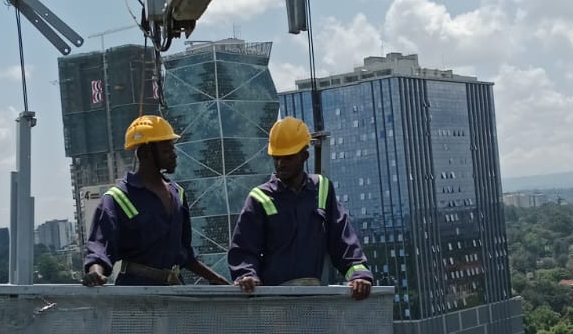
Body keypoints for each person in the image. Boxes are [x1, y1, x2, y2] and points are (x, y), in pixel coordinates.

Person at [228, 117, 373, 298]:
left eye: (288, 157)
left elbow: (342, 240)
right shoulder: (259, 197)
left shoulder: (322, 189)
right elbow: (243, 250)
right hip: (274, 303)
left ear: (305, 155)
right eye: (277, 158)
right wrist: (247, 275)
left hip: (313, 298)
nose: (281, 163)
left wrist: (359, 275)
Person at [83, 115, 229, 288]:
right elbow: (100, 248)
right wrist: (95, 273)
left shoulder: (177, 194)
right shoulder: (117, 199)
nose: (174, 155)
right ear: (145, 153)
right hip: (136, 295)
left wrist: (214, 278)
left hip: (174, 292)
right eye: (166, 150)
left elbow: (184, 254)